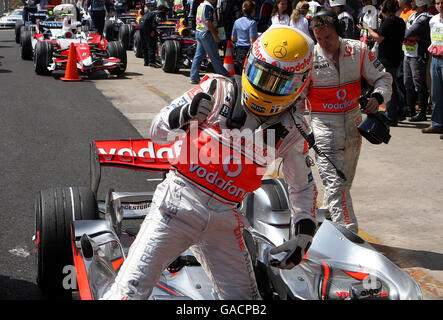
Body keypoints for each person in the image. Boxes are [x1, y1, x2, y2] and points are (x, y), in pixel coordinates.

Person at [102, 26, 319, 300]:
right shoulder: (217, 90)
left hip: (226, 218)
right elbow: (157, 131)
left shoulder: (292, 129)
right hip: (177, 205)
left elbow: (302, 187)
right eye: (261, 74)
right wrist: (183, 114)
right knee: (128, 293)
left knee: (246, 303)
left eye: (280, 82)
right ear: (249, 63)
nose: (267, 86)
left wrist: (303, 235)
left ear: (300, 84)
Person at [295, 8, 392, 233]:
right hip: (323, 128)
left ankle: (329, 223)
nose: (324, 43)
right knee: (336, 184)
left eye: (328, 37)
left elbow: (383, 78)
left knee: (344, 183)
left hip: (354, 126)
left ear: (338, 31)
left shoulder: (358, 50)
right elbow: (298, 100)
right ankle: (349, 237)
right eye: (319, 38)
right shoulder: (309, 57)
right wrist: (298, 130)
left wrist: (377, 97)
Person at [365, 0, 406, 126]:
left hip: (387, 57)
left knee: (388, 86)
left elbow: (379, 38)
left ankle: (391, 115)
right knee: (395, 85)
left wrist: (368, 29)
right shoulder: (400, 21)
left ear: (385, 9)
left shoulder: (388, 21)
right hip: (397, 56)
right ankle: (398, 113)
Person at [402, 0, 432, 122]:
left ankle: (422, 112)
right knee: (407, 82)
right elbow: (405, 31)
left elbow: (409, 32)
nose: (411, 2)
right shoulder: (413, 15)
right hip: (407, 52)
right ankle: (411, 109)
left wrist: (405, 34)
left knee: (419, 83)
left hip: (418, 55)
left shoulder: (425, 17)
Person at [189, 0, 230, 84]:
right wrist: (215, 35)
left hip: (199, 32)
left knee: (198, 56)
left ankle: (193, 77)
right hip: (206, 34)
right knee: (214, 57)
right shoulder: (208, 7)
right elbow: (208, 22)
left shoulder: (201, 5)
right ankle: (225, 77)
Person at [421, 0, 443, 135]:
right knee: (435, 93)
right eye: (438, 3)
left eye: (442, 2)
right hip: (435, 59)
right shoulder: (433, 20)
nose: (440, 5)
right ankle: (437, 123)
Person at [231, 0, 258, 74]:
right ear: (253, 11)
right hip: (248, 50)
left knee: (240, 71)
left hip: (239, 50)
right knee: (248, 71)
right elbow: (252, 40)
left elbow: (233, 38)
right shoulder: (252, 23)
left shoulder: (237, 22)